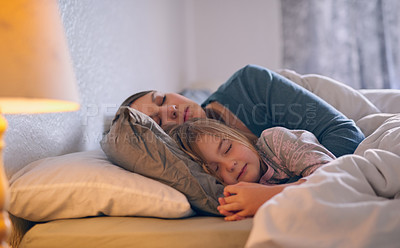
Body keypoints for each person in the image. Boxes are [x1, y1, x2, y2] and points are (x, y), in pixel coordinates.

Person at [121, 64, 365, 157]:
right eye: (157, 120)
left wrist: (285, 188)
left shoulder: (249, 83)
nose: (171, 109)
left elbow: (349, 135)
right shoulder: (203, 162)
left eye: (162, 98)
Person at [167, 118, 336, 221]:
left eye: (227, 149)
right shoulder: (233, 192)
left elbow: (331, 176)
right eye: (216, 170)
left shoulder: (276, 142)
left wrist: (267, 195)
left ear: (237, 135)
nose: (229, 165)